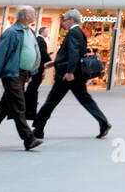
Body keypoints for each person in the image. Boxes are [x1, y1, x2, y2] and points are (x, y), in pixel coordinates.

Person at [32, 9, 111, 139]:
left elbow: (74, 53)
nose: (63, 22)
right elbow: (73, 53)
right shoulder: (80, 32)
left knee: (51, 100)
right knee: (85, 99)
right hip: (76, 74)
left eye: (65, 20)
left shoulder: (73, 33)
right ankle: (103, 123)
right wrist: (54, 63)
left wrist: (69, 72)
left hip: (67, 75)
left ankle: (38, 128)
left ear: (71, 20)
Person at [0, 6, 43, 150]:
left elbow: (31, 52)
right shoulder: (12, 32)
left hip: (22, 74)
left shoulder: (29, 32)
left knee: (3, 108)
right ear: (24, 16)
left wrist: (30, 72)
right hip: (12, 73)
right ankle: (28, 139)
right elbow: (0, 55)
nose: (34, 15)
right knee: (19, 105)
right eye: (32, 13)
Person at [23, 24, 52, 120]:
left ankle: (28, 108)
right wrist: (50, 61)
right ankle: (29, 109)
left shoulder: (37, 40)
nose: (48, 33)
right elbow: (42, 53)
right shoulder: (41, 41)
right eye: (47, 31)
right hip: (38, 66)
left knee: (33, 85)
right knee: (34, 85)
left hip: (35, 65)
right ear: (42, 32)